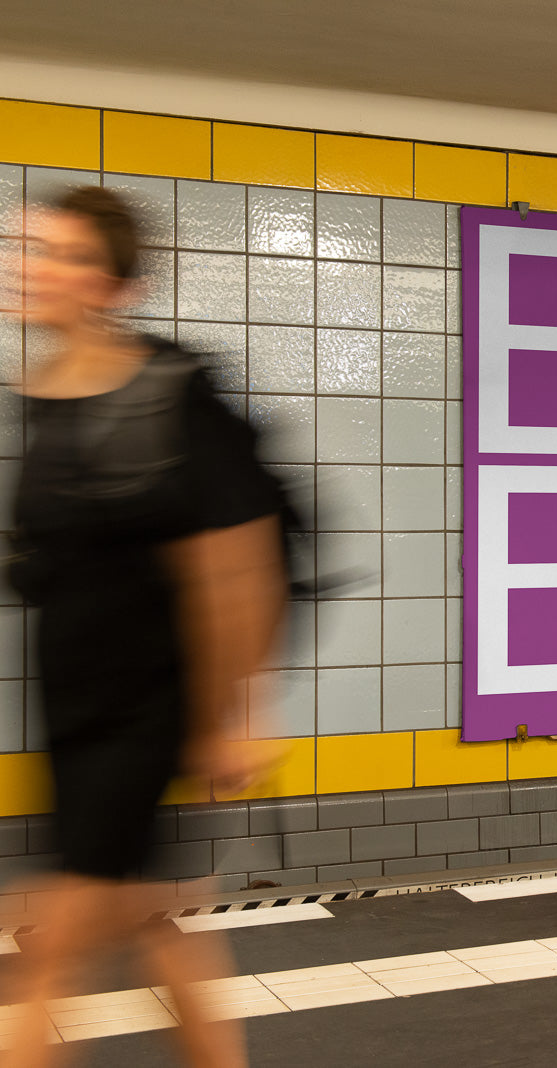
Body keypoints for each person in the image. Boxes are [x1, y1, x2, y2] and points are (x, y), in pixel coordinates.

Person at [1, 186, 286, 1067]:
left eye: (68, 254)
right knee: (152, 921)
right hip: (74, 701)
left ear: (115, 286)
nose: (36, 267)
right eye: (35, 248)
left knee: (49, 938)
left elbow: (232, 566)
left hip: (146, 702)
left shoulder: (168, 394)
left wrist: (232, 716)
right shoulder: (40, 399)